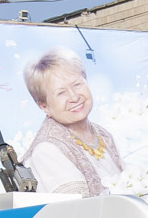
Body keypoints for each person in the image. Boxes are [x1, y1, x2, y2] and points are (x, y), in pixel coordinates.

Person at [21, 47, 123, 196]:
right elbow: (77, 211)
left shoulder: (103, 134)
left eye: (77, 85)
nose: (74, 97)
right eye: (61, 92)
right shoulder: (46, 149)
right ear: (44, 105)